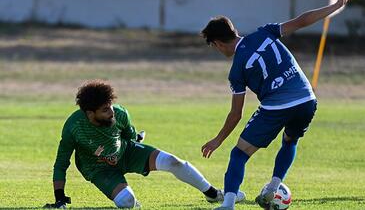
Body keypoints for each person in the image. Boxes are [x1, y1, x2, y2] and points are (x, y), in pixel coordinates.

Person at [200, 0, 353, 210]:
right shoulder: (264, 32)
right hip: (307, 99)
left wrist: (218, 139)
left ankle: (229, 203)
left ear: (219, 43)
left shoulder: (236, 70)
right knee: (290, 140)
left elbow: (236, 114)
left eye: (214, 47)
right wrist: (336, 5)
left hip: (276, 107)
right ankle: (273, 187)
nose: (218, 50)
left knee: (239, 153)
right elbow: (301, 21)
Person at [44, 79, 245, 209]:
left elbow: (129, 134)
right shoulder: (73, 127)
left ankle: (213, 194)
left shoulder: (119, 113)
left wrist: (135, 139)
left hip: (126, 152)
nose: (111, 112)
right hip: (98, 169)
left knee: (173, 162)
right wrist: (60, 198)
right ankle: (129, 199)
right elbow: (61, 163)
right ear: (90, 114)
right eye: (105, 110)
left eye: (111, 106)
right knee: (127, 202)